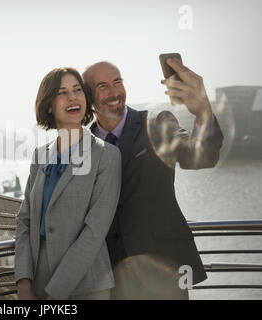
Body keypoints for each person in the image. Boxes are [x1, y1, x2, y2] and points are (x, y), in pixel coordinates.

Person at [82, 58, 224, 299]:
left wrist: (202, 111)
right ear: (88, 97)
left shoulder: (157, 124)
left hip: (164, 271)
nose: (114, 92)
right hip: (110, 277)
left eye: (118, 82)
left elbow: (202, 157)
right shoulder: (82, 146)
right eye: (103, 86)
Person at [14, 67, 121, 300]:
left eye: (77, 90)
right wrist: (23, 281)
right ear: (49, 105)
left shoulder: (107, 156)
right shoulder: (39, 155)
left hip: (87, 287)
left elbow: (94, 231)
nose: (73, 97)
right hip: (37, 286)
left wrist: (57, 293)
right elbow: (24, 220)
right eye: (62, 92)